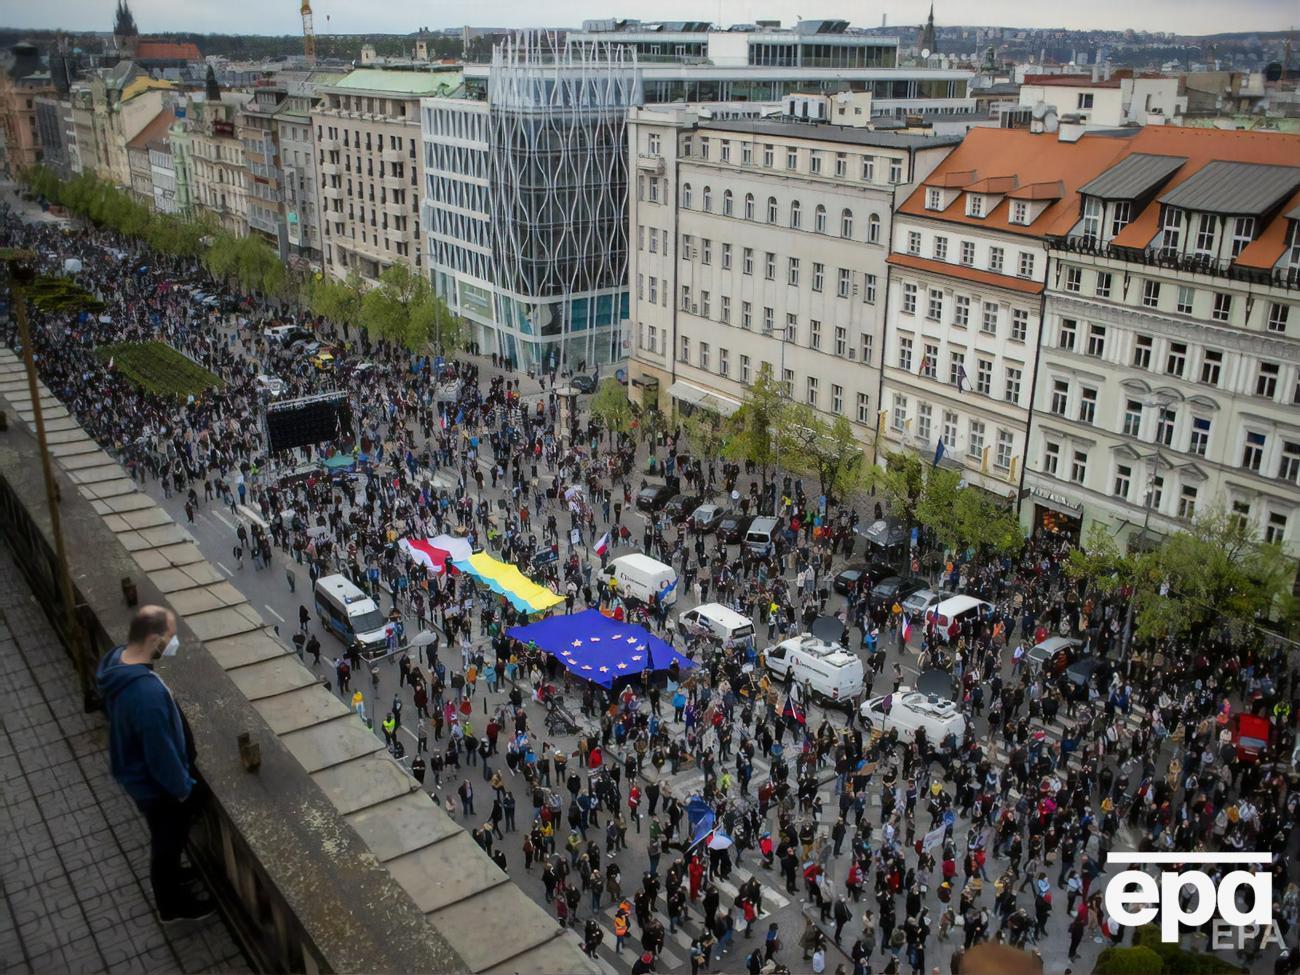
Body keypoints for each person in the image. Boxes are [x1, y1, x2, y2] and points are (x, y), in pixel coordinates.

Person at [96, 605, 214, 923]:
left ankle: (174, 874)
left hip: (136, 774)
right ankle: (172, 905)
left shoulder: (119, 660)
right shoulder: (145, 695)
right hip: (158, 787)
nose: (172, 643)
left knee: (165, 838)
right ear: (152, 638)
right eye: (169, 637)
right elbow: (160, 756)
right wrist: (183, 790)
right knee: (167, 840)